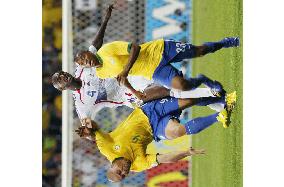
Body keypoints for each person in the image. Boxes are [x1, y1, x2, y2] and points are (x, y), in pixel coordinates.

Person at [74, 2, 238, 99]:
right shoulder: (102, 74)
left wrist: (125, 70)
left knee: (200, 51)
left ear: (89, 51)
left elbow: (135, 47)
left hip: (160, 49)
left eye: (83, 56)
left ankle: (226, 42)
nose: (84, 61)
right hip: (153, 70)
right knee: (182, 86)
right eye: (82, 63)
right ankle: (204, 80)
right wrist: (134, 92)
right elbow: (122, 78)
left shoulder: (107, 50)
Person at [75, 92, 236, 182]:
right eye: (123, 175)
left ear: (112, 166)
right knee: (176, 132)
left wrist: (88, 130)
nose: (124, 171)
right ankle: (220, 116)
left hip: (148, 111)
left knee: (188, 100)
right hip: (155, 130)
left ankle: (223, 99)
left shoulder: (107, 148)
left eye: (119, 171)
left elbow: (94, 130)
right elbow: (164, 159)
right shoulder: (137, 165)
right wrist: (186, 152)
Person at [51, 67, 223, 120]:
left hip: (130, 76)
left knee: (175, 82)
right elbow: (85, 123)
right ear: (62, 88)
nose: (64, 76)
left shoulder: (81, 68)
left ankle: (211, 97)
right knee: (169, 91)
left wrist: (106, 19)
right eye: (60, 79)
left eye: (62, 73)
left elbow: (93, 49)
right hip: (128, 96)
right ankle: (211, 93)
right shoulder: (81, 103)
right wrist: (89, 133)